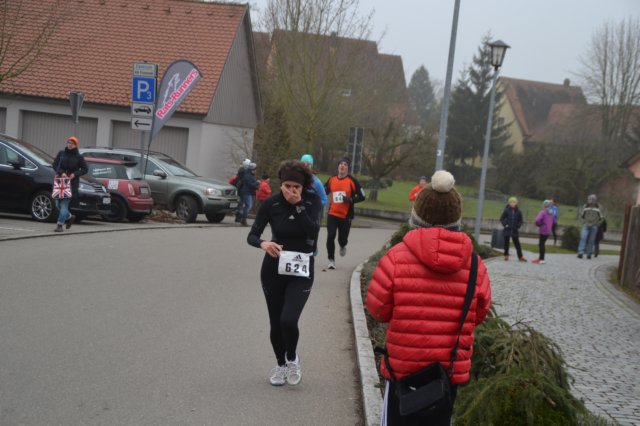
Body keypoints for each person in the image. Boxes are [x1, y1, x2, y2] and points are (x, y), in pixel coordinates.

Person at [366, 170, 491, 426]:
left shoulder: (395, 258)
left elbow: (378, 309)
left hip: (403, 370)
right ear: (457, 219)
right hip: (447, 373)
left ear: (417, 216)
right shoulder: (475, 265)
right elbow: (479, 314)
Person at [247, 160, 321, 386]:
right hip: (273, 269)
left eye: (296, 187)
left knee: (289, 320)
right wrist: (264, 244)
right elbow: (252, 235)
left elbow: (313, 231)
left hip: (301, 269)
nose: (291, 191)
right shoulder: (271, 203)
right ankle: (280, 364)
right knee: (276, 322)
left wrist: (298, 207)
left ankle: (292, 358)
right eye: (287, 186)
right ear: (281, 184)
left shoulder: (312, 201)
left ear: (303, 187)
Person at [324, 157, 365, 269]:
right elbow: (324, 190)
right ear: (338, 166)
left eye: (345, 164)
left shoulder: (352, 181)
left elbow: (362, 196)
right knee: (330, 236)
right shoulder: (332, 179)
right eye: (341, 164)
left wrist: (350, 199)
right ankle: (331, 260)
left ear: (348, 168)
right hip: (332, 214)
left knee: (342, 239)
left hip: (346, 216)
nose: (342, 166)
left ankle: (343, 245)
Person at [51, 136, 87, 232]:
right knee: (58, 204)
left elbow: (85, 169)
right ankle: (70, 217)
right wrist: (61, 172)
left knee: (64, 205)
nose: (70, 145)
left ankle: (60, 225)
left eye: (72, 143)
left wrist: (75, 174)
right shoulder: (61, 153)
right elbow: (54, 165)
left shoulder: (79, 157)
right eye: (69, 142)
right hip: (60, 183)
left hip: (71, 184)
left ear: (75, 145)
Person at [500, 196, 526, 262]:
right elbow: (502, 219)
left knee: (517, 244)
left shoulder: (519, 211)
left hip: (514, 230)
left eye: (514, 202)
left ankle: (520, 256)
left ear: (516, 203)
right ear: (509, 203)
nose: (512, 203)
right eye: (511, 202)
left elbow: (521, 220)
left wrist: (518, 226)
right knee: (506, 243)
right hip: (507, 230)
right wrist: (505, 224)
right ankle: (506, 255)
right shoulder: (506, 210)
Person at [577, 194, 604, 259]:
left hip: (594, 226)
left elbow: (602, 217)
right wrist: (583, 222)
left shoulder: (598, 207)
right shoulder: (585, 206)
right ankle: (580, 253)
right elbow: (581, 215)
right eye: (588, 199)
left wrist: (597, 224)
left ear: (594, 200)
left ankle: (589, 253)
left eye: (590, 199)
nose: (589, 200)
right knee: (583, 238)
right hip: (586, 225)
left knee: (591, 240)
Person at [532, 200, 555, 264]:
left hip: (543, 230)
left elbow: (537, 220)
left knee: (541, 244)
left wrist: (539, 224)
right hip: (548, 231)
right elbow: (554, 222)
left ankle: (542, 259)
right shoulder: (551, 213)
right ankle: (540, 258)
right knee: (542, 244)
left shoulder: (543, 212)